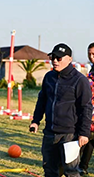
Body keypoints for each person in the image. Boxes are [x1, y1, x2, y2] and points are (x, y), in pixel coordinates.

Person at [29, 43, 92, 177]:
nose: (55, 61)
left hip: (70, 135)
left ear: (69, 59)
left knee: (71, 172)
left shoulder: (80, 80)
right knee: (50, 170)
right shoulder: (49, 77)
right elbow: (42, 100)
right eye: (53, 58)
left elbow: (86, 108)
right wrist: (35, 121)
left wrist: (84, 133)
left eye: (59, 58)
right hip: (50, 134)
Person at [78, 42, 94, 176]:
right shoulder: (92, 70)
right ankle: (82, 167)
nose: (91, 56)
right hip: (90, 113)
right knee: (88, 141)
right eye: (89, 54)